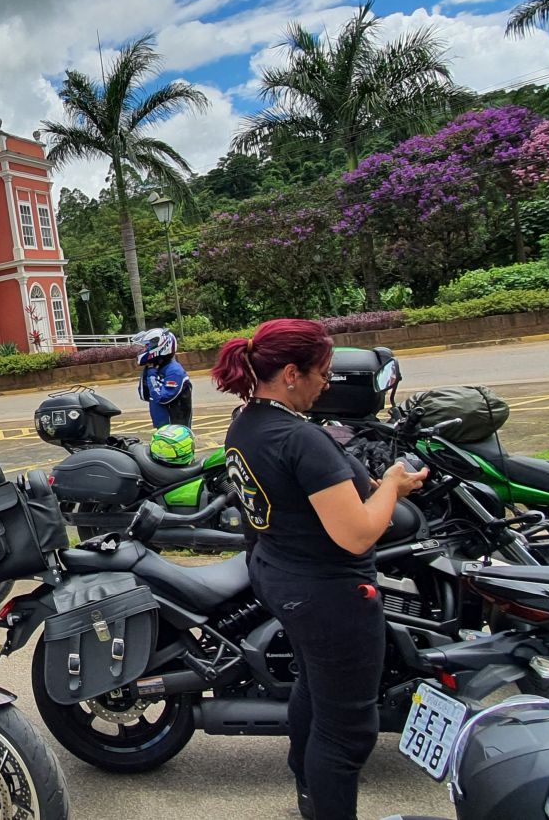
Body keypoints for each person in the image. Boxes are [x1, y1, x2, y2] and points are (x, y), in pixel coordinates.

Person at [213, 319, 427, 820]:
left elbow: (297, 499)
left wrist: (370, 484)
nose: (326, 383)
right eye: (322, 373)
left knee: (313, 686)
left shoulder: (246, 422)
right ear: (291, 373)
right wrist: (392, 486)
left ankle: (309, 793)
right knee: (347, 731)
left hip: (280, 575)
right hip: (330, 593)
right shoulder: (301, 438)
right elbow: (355, 533)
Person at [137, 328, 193, 428]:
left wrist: (151, 375)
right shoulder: (157, 367)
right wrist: (149, 369)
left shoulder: (174, 371)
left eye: (149, 345)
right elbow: (144, 394)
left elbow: (162, 397)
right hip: (163, 426)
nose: (146, 349)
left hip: (175, 429)